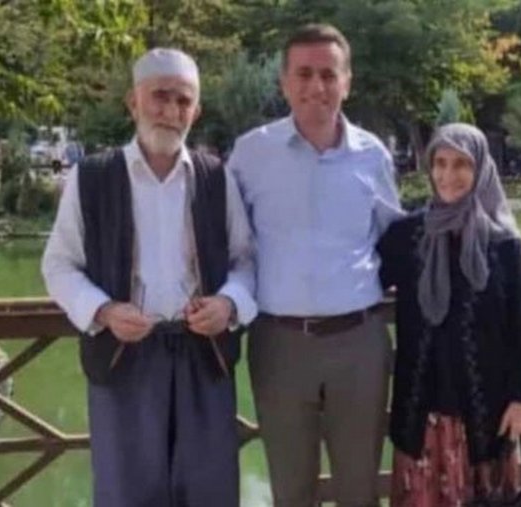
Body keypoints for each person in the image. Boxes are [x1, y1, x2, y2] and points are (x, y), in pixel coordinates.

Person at [42, 48, 256, 507]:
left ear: (196, 111)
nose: (171, 111)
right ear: (133, 102)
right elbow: (58, 264)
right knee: (127, 493)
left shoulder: (216, 178)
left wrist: (229, 304)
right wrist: (103, 311)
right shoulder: (92, 177)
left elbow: (246, 260)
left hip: (204, 356)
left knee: (209, 491)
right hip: (124, 357)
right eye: (160, 96)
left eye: (184, 101)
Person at [227, 23, 403, 507]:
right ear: (284, 83)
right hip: (279, 343)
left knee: (359, 489)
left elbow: (396, 241)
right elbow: (229, 244)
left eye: (328, 74)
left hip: (359, 343)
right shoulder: (250, 153)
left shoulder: (372, 155)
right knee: (291, 490)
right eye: (304, 74)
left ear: (347, 82)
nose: (316, 86)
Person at [378, 123, 521, 506]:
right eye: (440, 163)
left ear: (481, 168)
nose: (448, 175)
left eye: (461, 164)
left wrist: (520, 399)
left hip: (486, 415)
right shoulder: (407, 236)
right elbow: (360, 277)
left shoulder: (503, 243)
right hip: (422, 414)